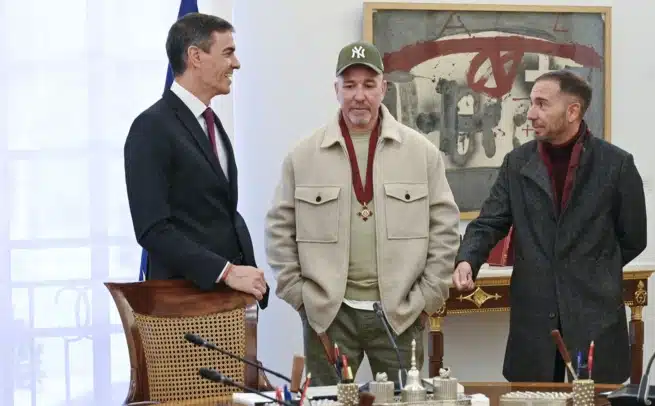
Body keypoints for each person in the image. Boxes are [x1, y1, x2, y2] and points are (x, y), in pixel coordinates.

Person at [265, 41, 460, 386]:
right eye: (350, 85)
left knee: (404, 401)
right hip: (330, 317)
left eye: (369, 85)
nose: (359, 95)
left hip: (400, 315)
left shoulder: (422, 154)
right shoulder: (303, 156)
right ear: (336, 90)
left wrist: (427, 298)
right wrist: (301, 298)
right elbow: (279, 231)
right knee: (327, 402)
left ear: (383, 88)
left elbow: (444, 228)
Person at [453, 70, 647, 384]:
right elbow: (490, 221)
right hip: (533, 322)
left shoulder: (617, 165)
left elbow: (634, 237)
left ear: (573, 111)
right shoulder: (517, 163)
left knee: (596, 402)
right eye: (531, 103)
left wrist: (592, 269)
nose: (530, 113)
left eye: (542, 104)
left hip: (595, 319)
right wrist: (467, 259)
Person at [124, 13, 269, 307]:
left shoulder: (210, 121)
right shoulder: (151, 127)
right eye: (227, 52)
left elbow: (219, 211)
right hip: (184, 305)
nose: (236, 63)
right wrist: (225, 271)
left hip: (225, 300)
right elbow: (152, 229)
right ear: (195, 57)